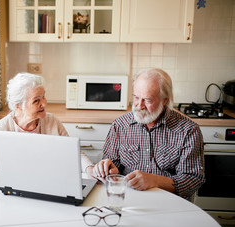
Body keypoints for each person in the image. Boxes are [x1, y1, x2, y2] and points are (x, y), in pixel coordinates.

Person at [87, 68, 205, 200]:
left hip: (169, 203)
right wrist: (109, 170)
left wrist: (155, 181)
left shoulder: (188, 130)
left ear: (164, 100)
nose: (139, 105)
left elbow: (193, 180)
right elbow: (112, 168)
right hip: (128, 199)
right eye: (136, 97)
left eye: (147, 100)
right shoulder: (120, 125)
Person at [0, 72, 93, 179]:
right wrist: (17, 176)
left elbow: (73, 153)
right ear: (18, 106)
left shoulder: (52, 121)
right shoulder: (0, 129)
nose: (44, 104)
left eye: (43, 97)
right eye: (36, 100)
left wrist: (90, 168)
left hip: (51, 180)